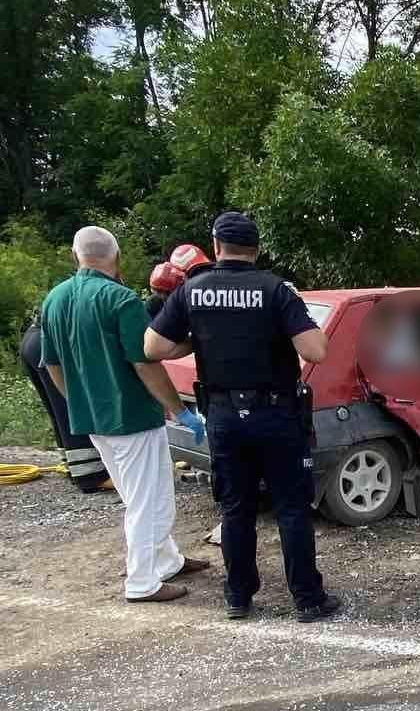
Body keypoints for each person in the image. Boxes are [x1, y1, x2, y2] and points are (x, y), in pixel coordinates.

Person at [145, 212, 341, 623]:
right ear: (256, 248)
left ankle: (238, 597)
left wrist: (199, 340)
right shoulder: (275, 290)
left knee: (236, 509)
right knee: (291, 508)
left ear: (216, 246)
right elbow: (316, 351)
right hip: (276, 414)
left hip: (224, 416)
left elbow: (154, 348)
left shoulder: (191, 291)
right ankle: (307, 599)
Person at [39, 226, 210, 603]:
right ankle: (142, 582)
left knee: (144, 492)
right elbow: (145, 361)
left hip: (93, 420)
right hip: (131, 416)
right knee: (147, 499)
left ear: (75, 256)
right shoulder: (120, 300)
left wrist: (78, 398)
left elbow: (50, 363)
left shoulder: (54, 299)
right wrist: (180, 410)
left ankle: (167, 560)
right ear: (115, 258)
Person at [19, 316, 112, 492]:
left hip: (33, 337)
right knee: (72, 407)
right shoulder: (118, 297)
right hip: (48, 341)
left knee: (58, 410)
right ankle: (90, 476)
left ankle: (72, 465)